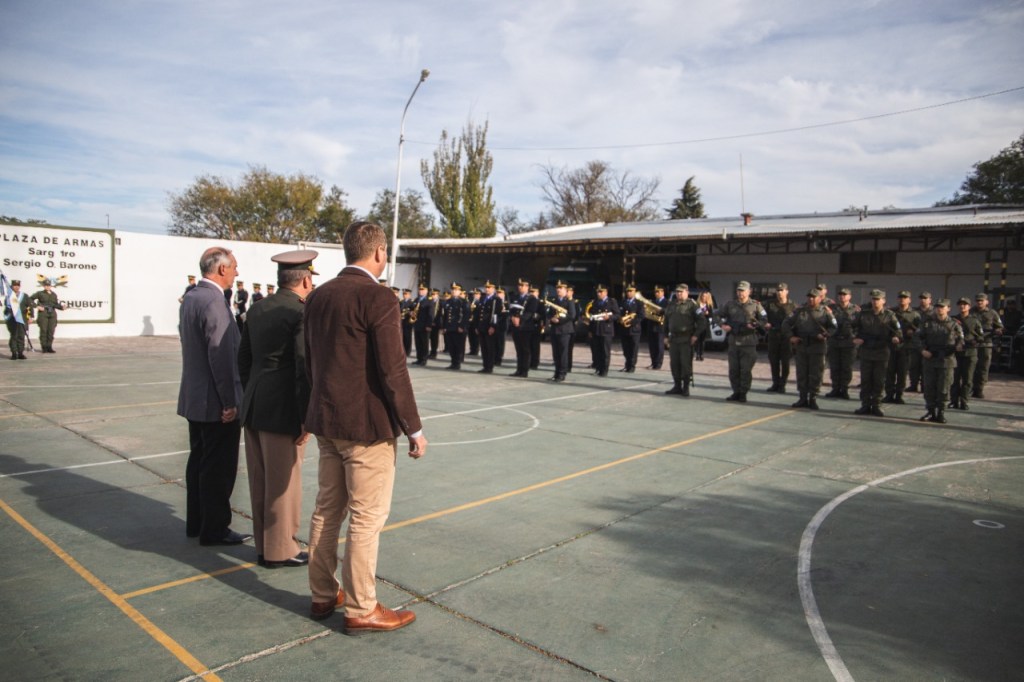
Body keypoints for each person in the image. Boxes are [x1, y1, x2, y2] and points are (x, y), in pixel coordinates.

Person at [303, 221, 426, 634]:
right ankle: (361, 607)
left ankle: (323, 593)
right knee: (366, 518)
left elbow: (311, 361)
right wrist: (414, 427)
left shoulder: (318, 296)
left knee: (327, 510)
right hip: (365, 428)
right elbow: (393, 369)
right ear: (377, 253)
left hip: (327, 421)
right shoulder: (378, 297)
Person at [238, 250, 318, 568]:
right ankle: (281, 549)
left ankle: (264, 546)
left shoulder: (257, 309)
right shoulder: (299, 312)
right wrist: (305, 416)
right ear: (306, 279)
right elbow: (302, 367)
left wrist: (252, 392)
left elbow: (243, 360)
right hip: (283, 409)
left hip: (255, 404)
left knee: (260, 479)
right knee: (284, 483)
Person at [177, 246, 250, 546]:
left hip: (196, 398)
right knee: (218, 468)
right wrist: (229, 402)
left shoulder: (192, 297)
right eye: (233, 267)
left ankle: (197, 522)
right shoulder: (214, 302)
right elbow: (221, 357)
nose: (236, 272)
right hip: (215, 402)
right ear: (221, 269)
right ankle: (215, 528)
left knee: (199, 462)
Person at [782, 288, 837, 409]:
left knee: (816, 373)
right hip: (802, 346)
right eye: (809, 297)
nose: (811, 299)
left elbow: (833, 327)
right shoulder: (800, 311)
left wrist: (824, 335)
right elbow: (786, 323)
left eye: (814, 297)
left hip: (817, 346)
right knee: (802, 372)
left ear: (819, 298)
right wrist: (791, 336)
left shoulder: (825, 312)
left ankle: (813, 398)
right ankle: (802, 397)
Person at [715, 281, 768, 402]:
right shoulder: (730, 305)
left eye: (743, 291)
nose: (741, 293)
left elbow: (764, 320)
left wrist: (755, 325)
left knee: (745, 370)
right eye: (739, 291)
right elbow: (716, 315)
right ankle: (736, 391)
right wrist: (723, 325)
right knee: (733, 370)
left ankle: (743, 392)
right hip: (734, 341)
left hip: (748, 342)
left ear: (749, 291)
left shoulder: (755, 305)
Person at [852, 289, 902, 417]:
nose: (875, 302)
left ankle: (877, 405)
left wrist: (896, 338)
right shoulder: (863, 314)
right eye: (873, 299)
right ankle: (865, 405)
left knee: (879, 380)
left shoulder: (890, 315)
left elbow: (898, 331)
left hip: (881, 351)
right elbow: (851, 327)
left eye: (878, 299)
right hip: (866, 351)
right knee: (866, 380)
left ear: (883, 301)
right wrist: (854, 338)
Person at [917, 299, 964, 423]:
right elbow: (918, 339)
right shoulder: (927, 323)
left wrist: (959, 346)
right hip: (930, 360)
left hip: (946, 361)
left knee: (944, 388)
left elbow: (961, 340)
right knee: (929, 387)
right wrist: (922, 350)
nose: (940, 309)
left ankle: (941, 412)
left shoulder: (954, 324)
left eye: (943, 307)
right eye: (938, 307)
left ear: (948, 308)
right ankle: (931, 411)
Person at [663, 283, 706, 396]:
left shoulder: (692, 305)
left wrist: (695, 335)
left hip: (686, 339)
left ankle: (685, 387)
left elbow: (702, 321)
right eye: (677, 292)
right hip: (674, 339)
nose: (679, 294)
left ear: (687, 292)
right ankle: (677, 386)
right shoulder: (671, 305)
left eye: (681, 292)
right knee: (674, 364)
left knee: (685, 364)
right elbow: (666, 322)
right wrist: (665, 336)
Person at [883, 291, 921, 405]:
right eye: (900, 297)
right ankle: (889, 394)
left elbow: (920, 331)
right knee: (889, 372)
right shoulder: (891, 312)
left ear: (909, 300)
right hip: (891, 346)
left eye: (905, 298)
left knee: (902, 373)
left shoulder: (915, 314)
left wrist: (912, 333)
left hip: (906, 347)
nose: (902, 300)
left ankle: (899, 395)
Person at [824, 287, 859, 399]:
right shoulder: (831, 308)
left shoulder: (856, 310)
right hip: (834, 341)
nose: (842, 296)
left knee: (846, 367)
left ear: (850, 296)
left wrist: (855, 337)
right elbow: (826, 323)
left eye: (845, 294)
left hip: (848, 342)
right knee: (834, 367)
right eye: (840, 294)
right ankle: (835, 388)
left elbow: (859, 326)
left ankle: (844, 389)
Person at [950, 297, 984, 411]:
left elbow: (981, 336)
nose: (962, 306)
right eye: (960, 304)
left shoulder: (975, 320)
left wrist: (975, 341)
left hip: (970, 353)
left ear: (969, 306)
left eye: (965, 304)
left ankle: (964, 401)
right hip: (956, 353)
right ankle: (953, 401)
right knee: (954, 379)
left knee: (967, 379)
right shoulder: (953, 319)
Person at [764, 283, 796, 393]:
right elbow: (762, 316)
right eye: (778, 290)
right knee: (774, 361)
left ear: (787, 291)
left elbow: (796, 322)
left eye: (782, 290)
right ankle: (775, 383)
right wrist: (765, 324)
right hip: (773, 335)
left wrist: (793, 335)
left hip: (786, 337)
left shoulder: (793, 306)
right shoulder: (769, 304)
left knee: (785, 362)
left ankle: (783, 384)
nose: (779, 292)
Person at [971, 293, 1004, 399]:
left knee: (983, 368)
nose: (979, 302)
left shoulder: (992, 313)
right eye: (978, 300)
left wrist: (998, 331)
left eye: (982, 300)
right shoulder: (971, 312)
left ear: (987, 302)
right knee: (971, 367)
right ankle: (970, 388)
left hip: (986, 344)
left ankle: (979, 389)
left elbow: (1000, 327)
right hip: (973, 344)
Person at [509, 278, 541, 378]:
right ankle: (519, 369)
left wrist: (520, 319)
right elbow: (511, 309)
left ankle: (524, 371)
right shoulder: (515, 297)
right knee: (518, 350)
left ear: (527, 287)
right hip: (516, 326)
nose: (520, 287)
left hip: (526, 327)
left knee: (525, 349)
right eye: (519, 285)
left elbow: (530, 312)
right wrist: (513, 318)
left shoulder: (532, 299)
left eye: (523, 285)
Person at [546, 280, 576, 382]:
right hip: (554, 330)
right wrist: (551, 319)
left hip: (564, 330)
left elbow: (572, 315)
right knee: (556, 353)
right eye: (557, 288)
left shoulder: (569, 301)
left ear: (565, 290)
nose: (558, 290)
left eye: (561, 288)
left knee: (563, 353)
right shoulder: (554, 300)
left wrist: (559, 320)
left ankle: (562, 373)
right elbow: (549, 313)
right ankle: (556, 372)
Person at [587, 284, 620, 377]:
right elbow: (592, 317)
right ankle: (598, 368)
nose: (599, 293)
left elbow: (617, 315)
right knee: (597, 351)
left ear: (606, 292)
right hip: (596, 329)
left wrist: (609, 317)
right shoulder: (595, 302)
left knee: (605, 351)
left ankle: (604, 370)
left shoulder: (612, 302)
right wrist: (590, 330)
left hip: (606, 330)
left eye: (601, 292)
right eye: (598, 292)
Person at [907, 291, 934, 391]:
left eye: (925, 298)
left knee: (925, 367)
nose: (923, 300)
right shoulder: (914, 311)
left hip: (927, 343)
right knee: (914, 365)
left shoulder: (934, 312)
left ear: (930, 300)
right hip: (915, 342)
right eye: (921, 298)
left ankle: (924, 386)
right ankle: (913, 385)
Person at [31, 278, 67, 353]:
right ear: (44, 286)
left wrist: (62, 307)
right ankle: (44, 347)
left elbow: (56, 305)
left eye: (49, 285)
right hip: (43, 313)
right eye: (46, 285)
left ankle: (49, 346)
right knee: (43, 330)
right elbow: (30, 300)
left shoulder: (54, 294)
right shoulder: (40, 293)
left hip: (52, 314)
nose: (47, 287)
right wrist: (37, 306)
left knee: (51, 331)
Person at [476, 280, 503, 374]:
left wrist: (493, 326)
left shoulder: (496, 300)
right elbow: (479, 313)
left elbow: (496, 314)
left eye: (489, 287)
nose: (487, 289)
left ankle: (489, 367)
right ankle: (485, 366)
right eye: (486, 287)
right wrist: (477, 326)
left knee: (490, 348)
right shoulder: (483, 298)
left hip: (489, 327)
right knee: (483, 348)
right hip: (482, 326)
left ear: (494, 289)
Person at [618, 285, 645, 372]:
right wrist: (620, 320)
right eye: (628, 291)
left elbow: (641, 316)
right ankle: (627, 365)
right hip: (624, 330)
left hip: (634, 329)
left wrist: (631, 322)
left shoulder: (639, 303)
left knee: (633, 349)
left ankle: (632, 366)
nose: (629, 293)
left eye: (631, 291)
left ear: (634, 292)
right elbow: (618, 313)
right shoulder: (622, 302)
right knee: (625, 349)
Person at [4, 278, 33, 360]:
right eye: (14, 286)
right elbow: (7, 308)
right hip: (12, 319)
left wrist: (30, 316)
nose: (16, 287)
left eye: (18, 286)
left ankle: (20, 353)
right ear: (12, 286)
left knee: (21, 335)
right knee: (14, 336)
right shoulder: (9, 296)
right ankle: (14, 353)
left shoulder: (24, 296)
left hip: (22, 319)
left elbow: (29, 306)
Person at [443, 283, 470, 370]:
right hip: (450, 327)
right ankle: (453, 362)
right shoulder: (448, 301)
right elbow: (445, 316)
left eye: (456, 290)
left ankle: (457, 363)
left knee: (458, 346)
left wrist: (461, 326)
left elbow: (466, 315)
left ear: (460, 291)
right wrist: (444, 326)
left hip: (458, 328)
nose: (454, 291)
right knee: (451, 346)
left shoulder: (463, 302)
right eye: (453, 289)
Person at [646, 285, 668, 370]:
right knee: (652, 346)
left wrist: (660, 310)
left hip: (660, 326)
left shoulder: (667, 302)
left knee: (659, 346)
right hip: (651, 325)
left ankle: (658, 364)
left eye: (659, 292)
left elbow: (667, 312)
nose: (657, 293)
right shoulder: (652, 302)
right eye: (656, 292)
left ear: (663, 292)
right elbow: (647, 312)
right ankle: (653, 362)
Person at [412, 283, 433, 366]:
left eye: (423, 290)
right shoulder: (416, 300)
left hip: (424, 325)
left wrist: (429, 325)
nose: (421, 291)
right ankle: (419, 358)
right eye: (420, 289)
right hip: (417, 324)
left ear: (426, 291)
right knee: (418, 343)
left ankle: (424, 359)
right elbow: (412, 309)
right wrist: (411, 313)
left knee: (424, 343)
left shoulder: (429, 301)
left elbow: (431, 314)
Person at [695, 291, 714, 361]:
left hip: (705, 325)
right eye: (703, 296)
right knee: (697, 340)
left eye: (706, 296)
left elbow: (711, 315)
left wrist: (708, 314)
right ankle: (697, 354)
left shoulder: (709, 305)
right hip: (697, 324)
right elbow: (695, 313)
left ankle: (701, 354)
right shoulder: (697, 305)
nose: (704, 298)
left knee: (702, 341)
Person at [399, 289, 415, 357]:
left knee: (407, 337)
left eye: (406, 294)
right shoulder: (401, 302)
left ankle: (407, 351)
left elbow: (413, 312)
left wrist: (410, 313)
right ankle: (402, 351)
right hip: (401, 322)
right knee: (402, 337)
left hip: (408, 322)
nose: (404, 295)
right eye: (404, 294)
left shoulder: (412, 303)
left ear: (409, 295)